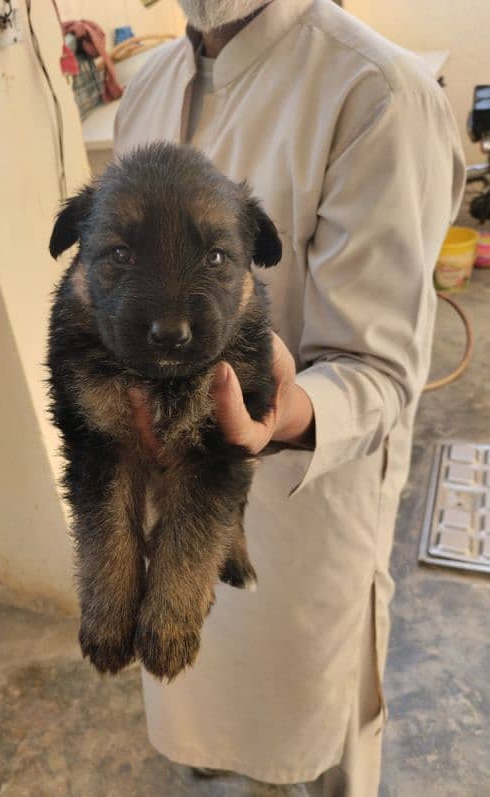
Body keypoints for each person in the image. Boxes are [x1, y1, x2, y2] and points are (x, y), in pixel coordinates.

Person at [114, 1, 465, 794]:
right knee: (199, 710)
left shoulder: (371, 93)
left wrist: (282, 411)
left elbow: (377, 372)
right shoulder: (147, 93)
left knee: (312, 746)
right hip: (173, 513)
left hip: (297, 526)